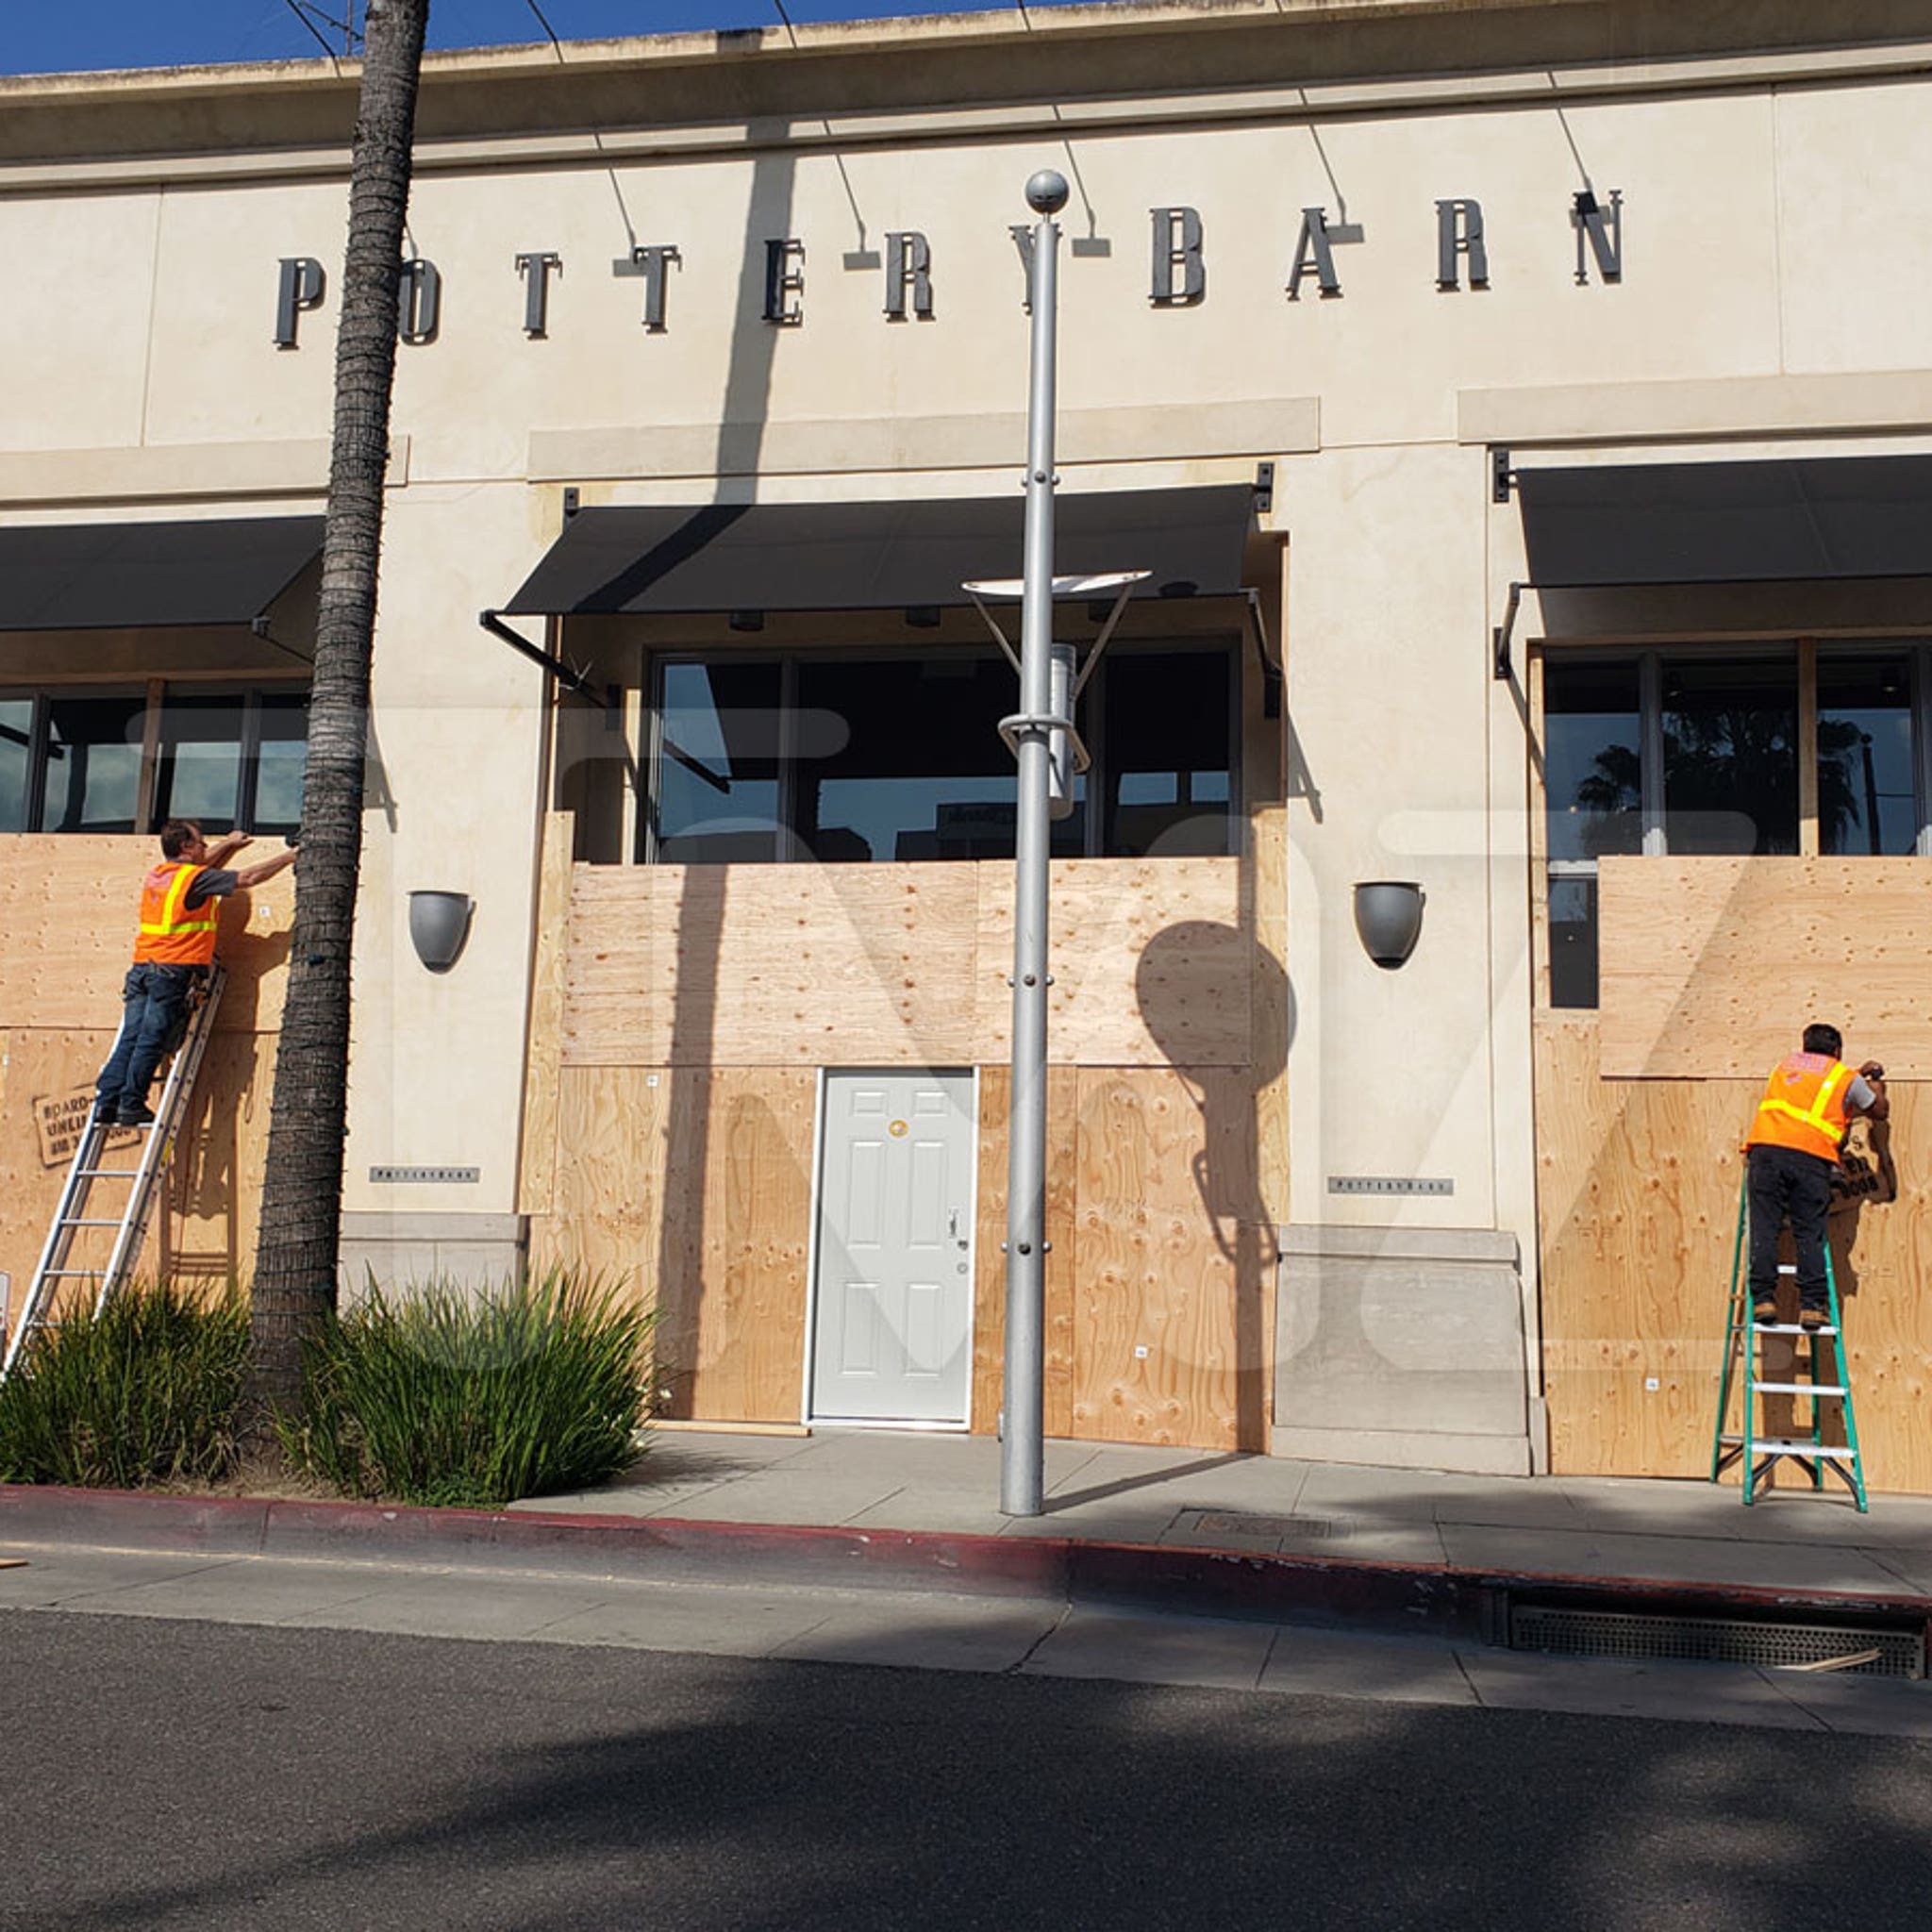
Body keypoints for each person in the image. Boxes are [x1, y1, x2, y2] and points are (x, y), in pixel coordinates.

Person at [93, 820, 297, 1129]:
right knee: (152, 1038)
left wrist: (228, 844)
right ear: (187, 847)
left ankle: (106, 1102)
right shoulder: (193, 880)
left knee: (130, 1037)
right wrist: (290, 857)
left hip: (142, 969)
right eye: (201, 843)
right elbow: (248, 877)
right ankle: (132, 1103)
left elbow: (202, 868)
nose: (205, 848)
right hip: (172, 970)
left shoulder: (159, 876)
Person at [1743, 1024, 1888, 1331]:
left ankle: (1764, 1299)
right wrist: (1875, 1085)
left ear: (1805, 1046)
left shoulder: (1784, 1068)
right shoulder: (1844, 1076)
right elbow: (1878, 1110)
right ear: (1837, 1051)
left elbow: (1813, 1092)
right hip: (1810, 1157)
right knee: (1809, 1232)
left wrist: (1857, 1075)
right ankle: (1811, 1306)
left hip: (1765, 1153)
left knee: (1765, 1228)